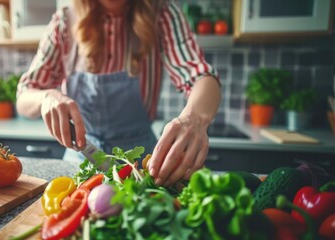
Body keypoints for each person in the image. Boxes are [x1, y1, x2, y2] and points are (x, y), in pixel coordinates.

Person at [16, 0, 221, 187]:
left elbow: (201, 76)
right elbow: (24, 95)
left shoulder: (163, 14)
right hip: (81, 161)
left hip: (143, 164)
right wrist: (45, 98)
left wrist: (194, 118)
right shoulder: (64, 22)